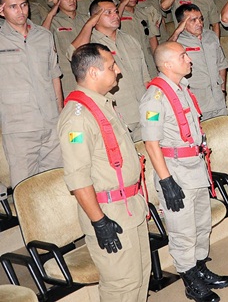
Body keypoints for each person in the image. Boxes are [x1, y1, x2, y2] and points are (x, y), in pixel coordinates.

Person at [140, 42, 228, 301]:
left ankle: (200, 268)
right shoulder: (155, 97)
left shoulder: (181, 89)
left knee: (201, 224)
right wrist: (167, 181)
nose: (189, 58)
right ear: (167, 64)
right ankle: (190, 280)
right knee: (183, 231)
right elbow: (151, 143)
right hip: (176, 172)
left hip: (195, 167)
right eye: (182, 55)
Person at [58, 43, 149, 302]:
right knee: (122, 286)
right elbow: (77, 178)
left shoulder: (103, 104)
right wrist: (99, 222)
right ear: (94, 73)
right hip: (109, 212)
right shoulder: (77, 118)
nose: (118, 71)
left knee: (140, 277)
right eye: (111, 66)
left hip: (130, 206)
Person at [0, 0, 63, 187]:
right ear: (1, 10)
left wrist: (59, 112)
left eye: (24, 5)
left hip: (50, 122)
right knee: (26, 187)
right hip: (19, 127)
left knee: (56, 182)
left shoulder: (43, 36)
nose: (21, 11)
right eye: (13, 7)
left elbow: (55, 75)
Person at [71, 0, 150, 141]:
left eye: (115, 11)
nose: (115, 15)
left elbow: (145, 78)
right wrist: (89, 25)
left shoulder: (130, 40)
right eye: (108, 13)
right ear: (95, 18)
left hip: (144, 112)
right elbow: (73, 54)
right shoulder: (91, 45)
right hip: (118, 117)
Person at [169, 4, 228, 120]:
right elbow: (165, 53)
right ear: (182, 24)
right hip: (198, 102)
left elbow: (222, 64)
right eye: (193, 20)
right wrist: (177, 32)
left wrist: (223, 89)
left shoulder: (211, 36)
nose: (199, 23)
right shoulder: (178, 42)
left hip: (218, 100)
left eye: (200, 19)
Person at [43, 0, 88, 95]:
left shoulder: (86, 19)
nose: (71, 0)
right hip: (68, 76)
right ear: (56, 1)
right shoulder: (54, 22)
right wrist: (50, 15)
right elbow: (41, 37)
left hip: (89, 72)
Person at [116, 0, 159, 78]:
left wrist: (157, 61)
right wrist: (122, 4)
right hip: (130, 61)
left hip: (148, 59)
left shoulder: (144, 12)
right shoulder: (115, 14)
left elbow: (152, 38)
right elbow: (113, 25)